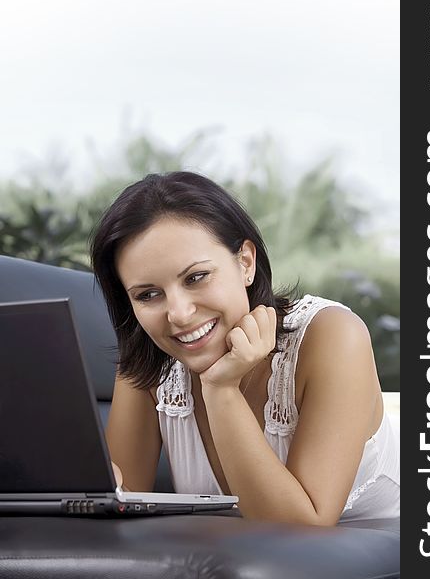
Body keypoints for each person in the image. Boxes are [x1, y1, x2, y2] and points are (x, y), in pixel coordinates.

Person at [90, 171, 399, 525]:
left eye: (196, 277)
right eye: (147, 295)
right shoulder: (149, 360)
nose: (178, 314)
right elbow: (116, 506)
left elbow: (302, 528)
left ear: (245, 263)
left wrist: (221, 389)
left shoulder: (332, 336)